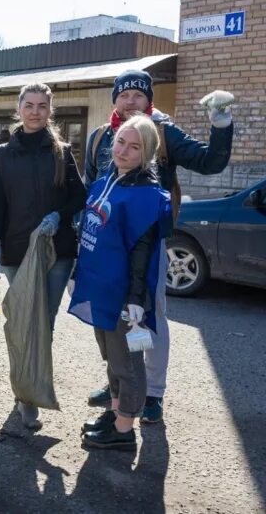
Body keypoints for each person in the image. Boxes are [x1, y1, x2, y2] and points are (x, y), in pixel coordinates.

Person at [83, 69, 234, 423]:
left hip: (149, 241)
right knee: (111, 317)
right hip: (108, 244)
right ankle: (120, 381)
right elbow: (90, 187)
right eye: (125, 94)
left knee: (150, 315)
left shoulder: (164, 133)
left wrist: (221, 124)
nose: (131, 100)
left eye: (139, 94)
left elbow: (210, 161)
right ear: (115, 99)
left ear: (149, 100)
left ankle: (152, 392)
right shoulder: (101, 136)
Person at [0, 83, 87, 430]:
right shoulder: (0, 155)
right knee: (23, 321)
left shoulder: (62, 151)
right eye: (29, 105)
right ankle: (25, 392)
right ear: (19, 108)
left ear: (50, 111)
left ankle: (30, 393)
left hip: (57, 252)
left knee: (43, 323)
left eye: (43, 106)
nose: (36, 111)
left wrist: (59, 215)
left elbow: (79, 196)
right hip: (15, 251)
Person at [69, 114, 172, 451]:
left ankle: (125, 429)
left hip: (125, 297)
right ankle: (115, 415)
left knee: (128, 362)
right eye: (121, 142)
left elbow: (143, 258)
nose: (124, 150)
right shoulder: (107, 180)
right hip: (100, 289)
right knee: (113, 358)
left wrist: (136, 301)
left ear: (147, 153)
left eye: (135, 146)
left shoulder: (147, 196)